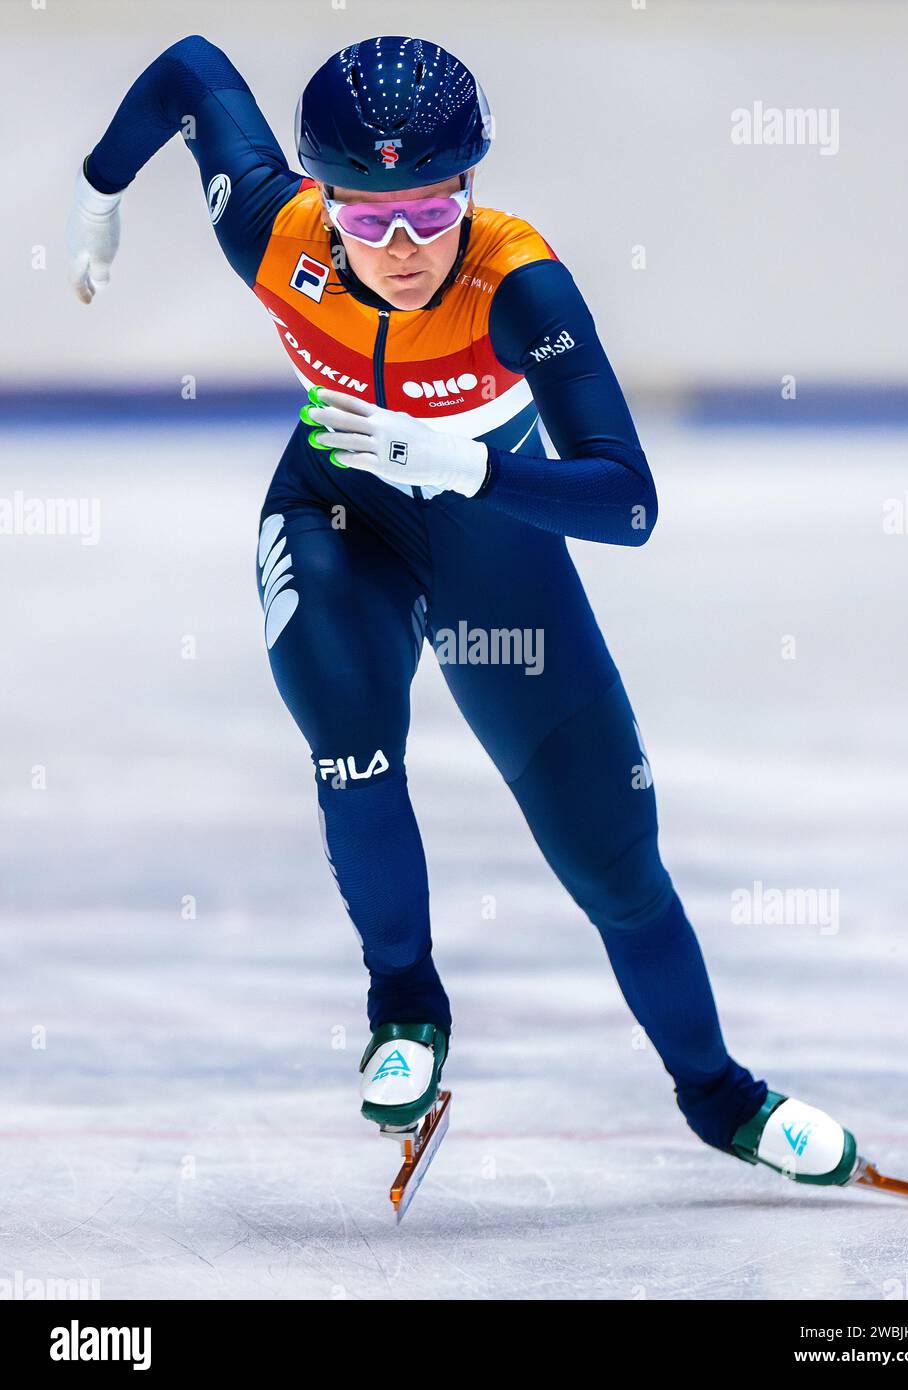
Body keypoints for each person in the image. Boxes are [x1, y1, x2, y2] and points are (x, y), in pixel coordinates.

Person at [68, 33, 864, 1191]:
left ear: (472, 194)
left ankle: (718, 1095)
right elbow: (191, 71)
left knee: (615, 869)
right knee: (350, 745)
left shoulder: (518, 279)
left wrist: (474, 466)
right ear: (322, 199)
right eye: (371, 217)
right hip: (340, 513)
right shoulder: (268, 231)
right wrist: (100, 190)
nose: (401, 248)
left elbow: (630, 499)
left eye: (432, 215)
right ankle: (406, 1008)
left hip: (499, 550)